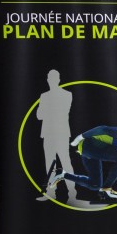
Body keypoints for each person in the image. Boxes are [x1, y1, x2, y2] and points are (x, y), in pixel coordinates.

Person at [51, 125, 117, 204]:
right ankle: (106, 189)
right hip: (89, 145)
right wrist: (81, 137)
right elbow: (103, 129)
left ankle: (62, 174)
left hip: (90, 151)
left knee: (95, 185)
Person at [38, 69, 79, 204]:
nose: (51, 81)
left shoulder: (67, 95)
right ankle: (51, 192)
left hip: (60, 132)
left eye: (53, 79)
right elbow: (39, 116)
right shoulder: (45, 96)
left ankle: (72, 193)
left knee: (66, 162)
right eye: (50, 79)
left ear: (58, 80)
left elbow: (56, 112)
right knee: (50, 163)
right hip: (49, 133)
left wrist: (47, 110)